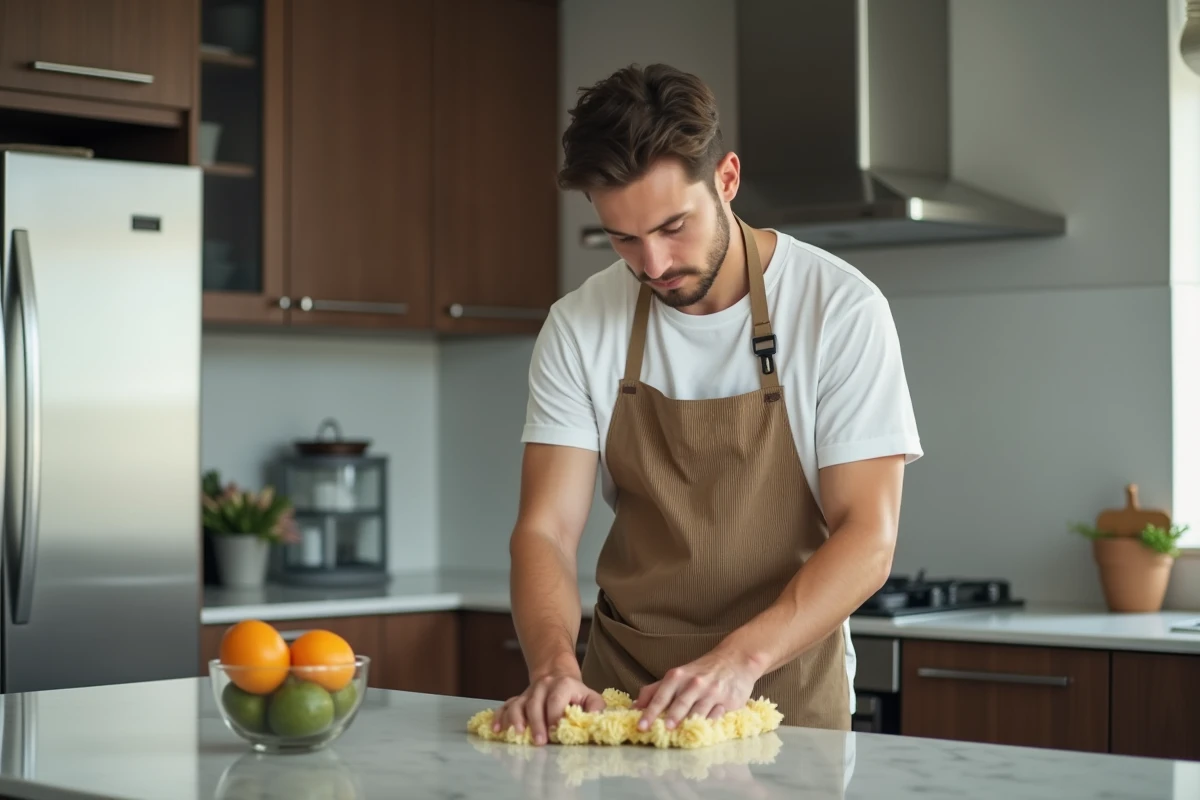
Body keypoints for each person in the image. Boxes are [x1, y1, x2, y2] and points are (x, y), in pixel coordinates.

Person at [493, 63, 922, 745]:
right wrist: (552, 668)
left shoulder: (840, 309)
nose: (654, 264)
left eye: (673, 227)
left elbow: (868, 536)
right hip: (622, 692)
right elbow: (545, 530)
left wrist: (736, 662)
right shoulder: (579, 324)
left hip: (780, 688)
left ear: (726, 178)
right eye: (624, 239)